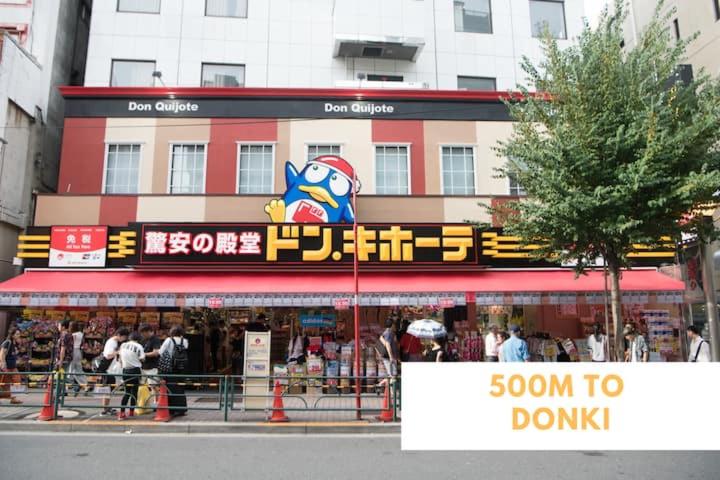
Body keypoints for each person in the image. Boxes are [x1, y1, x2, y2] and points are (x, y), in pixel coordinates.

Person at [98, 327, 129, 416]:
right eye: (124, 337)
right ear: (119, 335)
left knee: (109, 389)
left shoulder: (114, 342)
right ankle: (105, 409)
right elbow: (108, 355)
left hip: (110, 369)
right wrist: (118, 352)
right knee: (107, 389)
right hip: (107, 369)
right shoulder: (112, 342)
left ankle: (106, 408)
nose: (124, 339)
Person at [159, 325, 189, 417]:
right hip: (181, 367)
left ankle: (172, 409)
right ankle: (181, 409)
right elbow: (185, 349)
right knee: (180, 388)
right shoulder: (184, 341)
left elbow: (161, 352)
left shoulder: (169, 340)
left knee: (171, 387)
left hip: (170, 367)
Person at [117, 331, 145, 420]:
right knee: (134, 392)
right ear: (139, 339)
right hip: (135, 370)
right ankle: (131, 411)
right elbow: (142, 359)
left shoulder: (123, 345)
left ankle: (122, 413)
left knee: (127, 392)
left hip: (125, 370)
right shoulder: (139, 346)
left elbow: (120, 359)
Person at [0, 327, 22, 405]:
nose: (19, 335)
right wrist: (3, 363)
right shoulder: (7, 342)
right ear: (12, 335)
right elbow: (2, 353)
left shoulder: (14, 344)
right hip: (6, 367)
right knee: (4, 383)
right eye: (17, 334)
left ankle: (13, 398)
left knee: (16, 380)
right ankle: (11, 398)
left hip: (12, 367)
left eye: (19, 334)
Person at [139, 324, 162, 394]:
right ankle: (145, 399)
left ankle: (156, 399)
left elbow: (156, 353)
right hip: (143, 366)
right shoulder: (143, 340)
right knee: (142, 386)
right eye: (141, 333)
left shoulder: (155, 339)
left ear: (149, 331)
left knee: (153, 386)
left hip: (152, 367)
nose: (142, 334)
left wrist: (143, 355)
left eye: (143, 333)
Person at [67, 322, 89, 396]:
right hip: (78, 352)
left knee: (70, 370)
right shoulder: (80, 334)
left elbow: (70, 344)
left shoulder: (73, 335)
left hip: (73, 351)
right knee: (78, 370)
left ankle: (73, 386)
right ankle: (85, 385)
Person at [55, 320, 74, 395]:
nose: (58, 327)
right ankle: (63, 391)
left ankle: (58, 393)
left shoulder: (64, 335)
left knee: (60, 376)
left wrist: (60, 360)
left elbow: (63, 348)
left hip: (64, 358)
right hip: (68, 358)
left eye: (59, 325)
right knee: (62, 375)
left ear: (63, 327)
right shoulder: (69, 334)